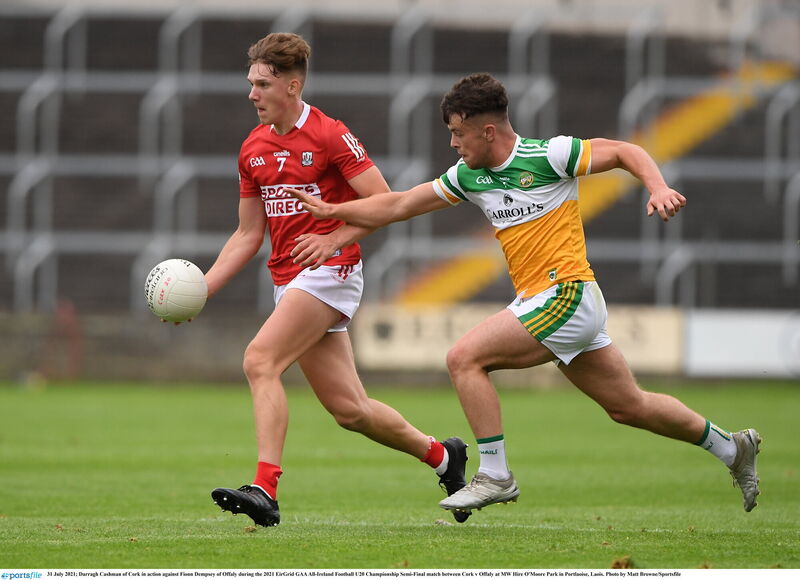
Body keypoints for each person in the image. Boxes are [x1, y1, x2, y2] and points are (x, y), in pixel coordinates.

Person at [287, 72, 762, 517]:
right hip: (550, 303)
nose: (453, 143)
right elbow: (398, 204)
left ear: (487, 131)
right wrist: (334, 223)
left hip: (567, 294)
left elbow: (624, 151)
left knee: (464, 358)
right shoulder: (467, 175)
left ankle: (495, 475)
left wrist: (657, 187)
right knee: (628, 406)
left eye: (458, 133)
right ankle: (731, 447)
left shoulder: (548, 155)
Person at [200, 33, 469, 527]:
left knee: (260, 361)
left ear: (293, 85)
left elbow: (384, 203)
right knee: (351, 411)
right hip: (290, 279)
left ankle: (265, 488)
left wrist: (333, 239)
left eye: (262, 84)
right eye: (251, 83)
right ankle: (444, 457)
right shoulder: (252, 149)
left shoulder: (329, 134)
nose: (252, 94)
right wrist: (204, 287)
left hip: (332, 271)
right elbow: (246, 233)